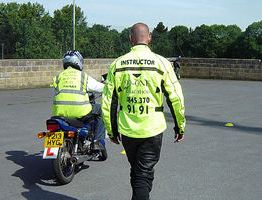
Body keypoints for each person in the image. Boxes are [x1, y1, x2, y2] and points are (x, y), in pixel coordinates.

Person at [101, 23, 186, 200]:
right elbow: (175, 98)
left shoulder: (117, 64)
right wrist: (180, 126)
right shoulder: (162, 63)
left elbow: (109, 101)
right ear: (149, 38)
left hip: (128, 130)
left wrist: (111, 131)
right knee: (143, 174)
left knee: (138, 171)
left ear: (131, 39)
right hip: (152, 129)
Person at [52, 50, 106, 148]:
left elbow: (54, 96)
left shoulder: (58, 77)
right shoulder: (83, 76)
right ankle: (97, 141)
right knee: (101, 110)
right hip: (79, 112)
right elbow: (99, 88)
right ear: (78, 62)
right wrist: (108, 87)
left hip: (59, 113)